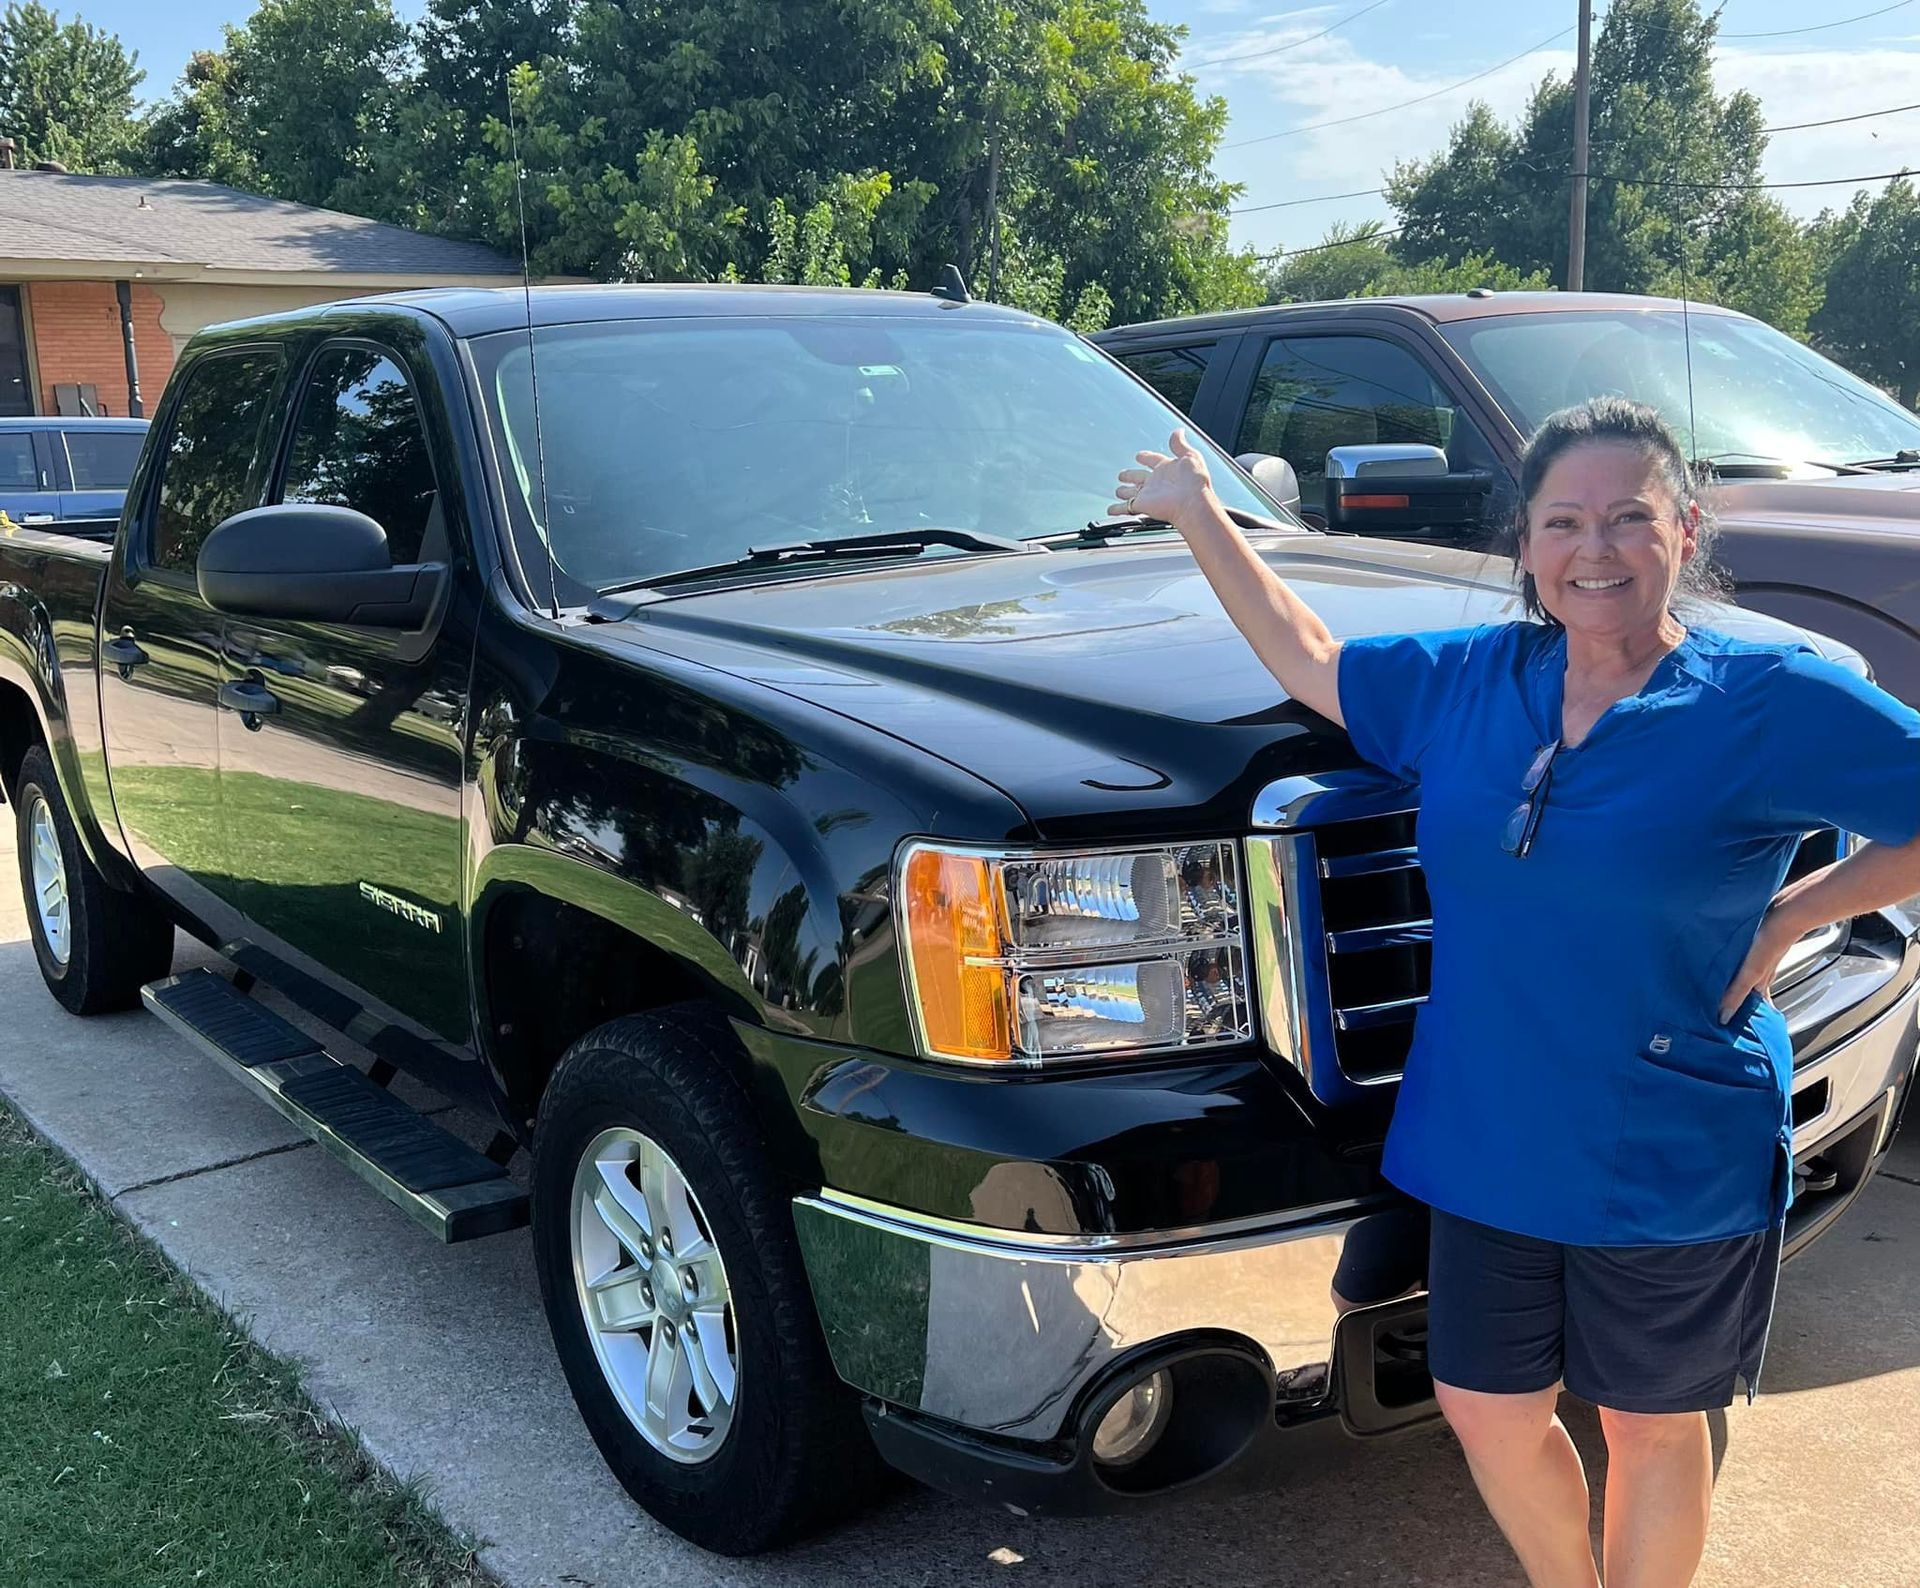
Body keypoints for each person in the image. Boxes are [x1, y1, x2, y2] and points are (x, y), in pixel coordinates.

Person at [1111, 397, 1920, 1588]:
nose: (1597, 549)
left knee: (1651, 1423)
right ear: (1528, 545)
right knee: (1484, 1404)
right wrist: (1197, 517)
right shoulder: (1474, 677)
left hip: (1668, 1133)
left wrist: (1804, 909)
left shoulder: (1765, 696)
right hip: (1488, 1128)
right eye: (1564, 522)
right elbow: (1312, 658)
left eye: (1629, 518)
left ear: (1683, 531)